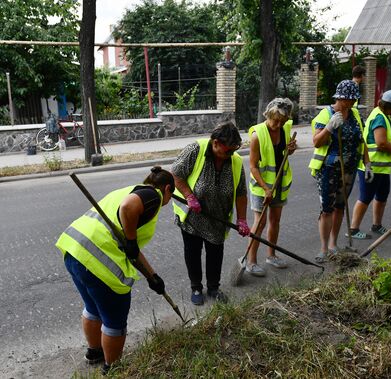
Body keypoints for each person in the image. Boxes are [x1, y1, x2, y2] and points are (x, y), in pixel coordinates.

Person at [56, 166, 175, 375]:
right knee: (114, 318)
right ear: (167, 189)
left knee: (93, 308)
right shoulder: (153, 195)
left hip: (74, 251)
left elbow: (132, 249)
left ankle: (94, 352)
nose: (168, 201)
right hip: (96, 261)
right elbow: (129, 209)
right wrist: (130, 240)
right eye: (170, 196)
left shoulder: (130, 189)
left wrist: (152, 277)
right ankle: (112, 369)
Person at [171, 121, 250, 306]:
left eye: (232, 150)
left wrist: (242, 220)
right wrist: (189, 196)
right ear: (215, 143)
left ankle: (214, 287)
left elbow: (241, 193)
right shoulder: (195, 150)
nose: (230, 155)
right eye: (226, 151)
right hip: (192, 217)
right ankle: (196, 287)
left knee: (215, 253)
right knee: (193, 252)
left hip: (218, 218)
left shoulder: (235, 160)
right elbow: (175, 174)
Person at [308, 79, 373, 263]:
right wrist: (329, 127)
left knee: (340, 207)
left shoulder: (355, 116)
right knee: (327, 209)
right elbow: (316, 142)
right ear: (340, 97)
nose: (352, 103)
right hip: (329, 170)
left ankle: (333, 244)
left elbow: (362, 141)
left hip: (349, 169)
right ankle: (323, 248)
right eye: (349, 99)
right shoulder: (325, 114)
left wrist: (367, 164)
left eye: (354, 100)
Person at [348, 89, 391, 239]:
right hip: (371, 166)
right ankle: (353, 229)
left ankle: (377, 225)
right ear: (387, 105)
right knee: (366, 197)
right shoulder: (379, 118)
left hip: (381, 168)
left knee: (382, 196)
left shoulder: (384, 115)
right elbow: (382, 143)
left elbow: (386, 136)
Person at [245, 98, 297, 277]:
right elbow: (253, 166)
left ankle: (271, 255)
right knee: (260, 223)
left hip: (280, 183)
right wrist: (266, 188)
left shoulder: (285, 128)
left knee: (275, 221)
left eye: (282, 122)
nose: (278, 125)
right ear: (268, 115)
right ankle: (251, 261)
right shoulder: (257, 135)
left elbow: (284, 153)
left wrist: (291, 149)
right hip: (261, 186)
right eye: (275, 120)